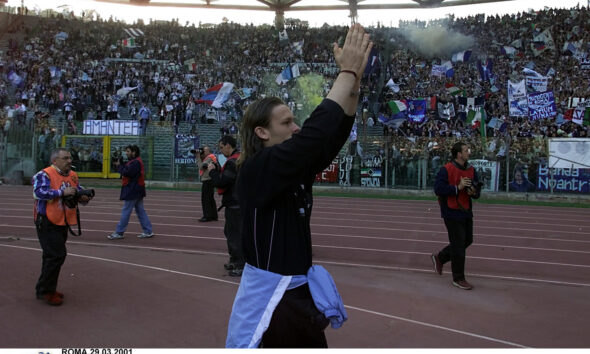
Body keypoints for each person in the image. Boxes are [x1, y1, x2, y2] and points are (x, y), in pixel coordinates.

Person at [226, 24, 373, 348]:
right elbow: (314, 136)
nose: (296, 127)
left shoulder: (289, 169)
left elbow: (330, 138)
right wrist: (346, 71)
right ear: (262, 132)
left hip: (296, 297)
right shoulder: (256, 169)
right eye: (287, 122)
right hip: (275, 306)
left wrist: (355, 83)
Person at [33, 148, 93, 306]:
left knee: (51, 256)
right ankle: (47, 291)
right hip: (47, 221)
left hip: (62, 220)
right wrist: (61, 192)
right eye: (65, 158)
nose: (69, 161)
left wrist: (83, 197)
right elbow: (38, 193)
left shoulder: (72, 175)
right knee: (56, 256)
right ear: (55, 160)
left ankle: (44, 288)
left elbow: (76, 189)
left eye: (70, 158)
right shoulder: (44, 174)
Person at [431, 141, 481, 290]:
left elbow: (477, 190)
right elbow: (438, 189)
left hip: (465, 210)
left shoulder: (471, 170)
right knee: (458, 244)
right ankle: (458, 278)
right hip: (451, 211)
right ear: (459, 154)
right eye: (466, 150)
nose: (469, 152)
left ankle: (440, 257)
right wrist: (457, 188)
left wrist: (473, 192)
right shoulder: (446, 169)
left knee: (467, 240)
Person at [208, 135, 243, 276]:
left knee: (235, 235)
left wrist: (212, 171)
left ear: (228, 145)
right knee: (230, 233)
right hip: (237, 202)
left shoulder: (232, 162)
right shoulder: (239, 158)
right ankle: (235, 260)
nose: (221, 151)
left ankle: (240, 264)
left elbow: (222, 182)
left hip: (235, 204)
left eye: (222, 147)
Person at [108, 145, 154, 240]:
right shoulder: (135, 161)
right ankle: (148, 230)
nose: (126, 153)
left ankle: (119, 232)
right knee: (140, 211)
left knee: (126, 211)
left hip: (133, 189)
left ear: (134, 152)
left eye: (128, 151)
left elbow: (127, 172)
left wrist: (119, 166)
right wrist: (120, 164)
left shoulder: (135, 162)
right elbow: (127, 167)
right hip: (137, 189)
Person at [195, 146, 218, 222]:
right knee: (210, 199)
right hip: (209, 180)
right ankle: (214, 215)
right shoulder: (210, 157)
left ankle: (207, 216)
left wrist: (198, 157)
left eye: (204, 151)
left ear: (208, 151)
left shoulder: (210, 157)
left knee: (205, 199)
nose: (202, 153)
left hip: (207, 180)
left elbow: (201, 167)